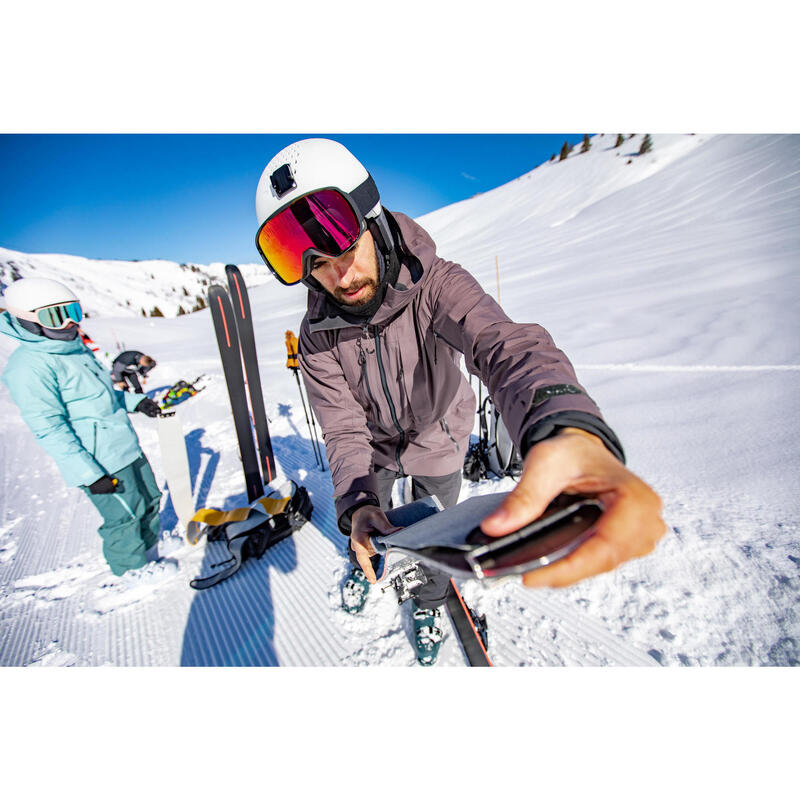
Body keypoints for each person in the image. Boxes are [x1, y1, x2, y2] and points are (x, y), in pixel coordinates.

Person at [254, 139, 666, 659]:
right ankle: (363, 562)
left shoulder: (437, 285)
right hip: (374, 454)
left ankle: (428, 600)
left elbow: (505, 346)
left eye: (345, 248)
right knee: (370, 522)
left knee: (435, 537)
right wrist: (357, 504)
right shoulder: (318, 337)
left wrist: (564, 426)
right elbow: (342, 428)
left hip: (437, 440)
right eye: (314, 265)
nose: (339, 277)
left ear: (374, 221)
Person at [1, 278, 173, 581]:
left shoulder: (75, 349)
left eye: (74, 312)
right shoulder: (28, 368)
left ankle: (148, 549)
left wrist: (135, 403)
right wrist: (89, 474)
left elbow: (103, 394)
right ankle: (130, 573)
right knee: (124, 516)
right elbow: (48, 428)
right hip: (100, 460)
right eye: (56, 315)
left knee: (150, 499)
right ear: (28, 322)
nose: (69, 323)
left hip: (124, 444)